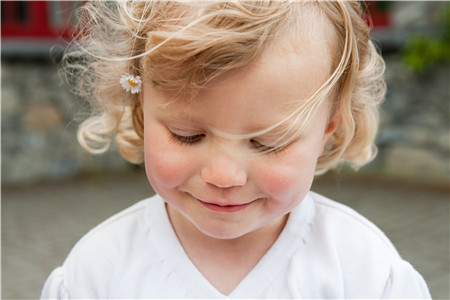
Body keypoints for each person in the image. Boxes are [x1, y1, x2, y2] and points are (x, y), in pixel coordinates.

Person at [41, 1, 431, 298]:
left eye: (268, 142)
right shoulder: (97, 271)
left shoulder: (362, 269)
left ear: (329, 126)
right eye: (187, 135)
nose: (224, 176)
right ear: (140, 106)